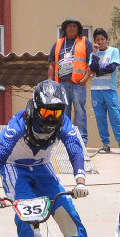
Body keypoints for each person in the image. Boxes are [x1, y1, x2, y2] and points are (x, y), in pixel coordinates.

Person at [0, 79, 101, 237]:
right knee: (24, 215)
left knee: (66, 212)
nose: (52, 118)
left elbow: (74, 147)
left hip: (43, 166)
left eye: (57, 112)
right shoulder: (19, 123)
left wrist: (80, 180)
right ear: (35, 108)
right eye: (46, 113)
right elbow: (0, 152)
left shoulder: (63, 122)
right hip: (15, 167)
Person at [48, 16, 92, 144]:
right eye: (69, 26)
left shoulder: (84, 42)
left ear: (78, 29)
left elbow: (91, 62)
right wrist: (50, 82)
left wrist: (85, 78)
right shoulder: (58, 43)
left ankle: (81, 138)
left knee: (79, 111)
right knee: (63, 112)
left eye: (74, 26)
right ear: (65, 28)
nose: (72, 28)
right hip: (62, 84)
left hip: (78, 84)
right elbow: (51, 64)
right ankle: (64, 138)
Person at [88, 28, 120, 156]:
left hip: (109, 90)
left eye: (102, 39)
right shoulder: (93, 55)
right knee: (100, 118)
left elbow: (112, 67)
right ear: (94, 41)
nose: (100, 42)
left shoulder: (114, 51)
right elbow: (92, 67)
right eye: (97, 40)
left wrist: (98, 72)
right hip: (96, 90)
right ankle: (105, 144)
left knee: (115, 117)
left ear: (107, 40)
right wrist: (94, 53)